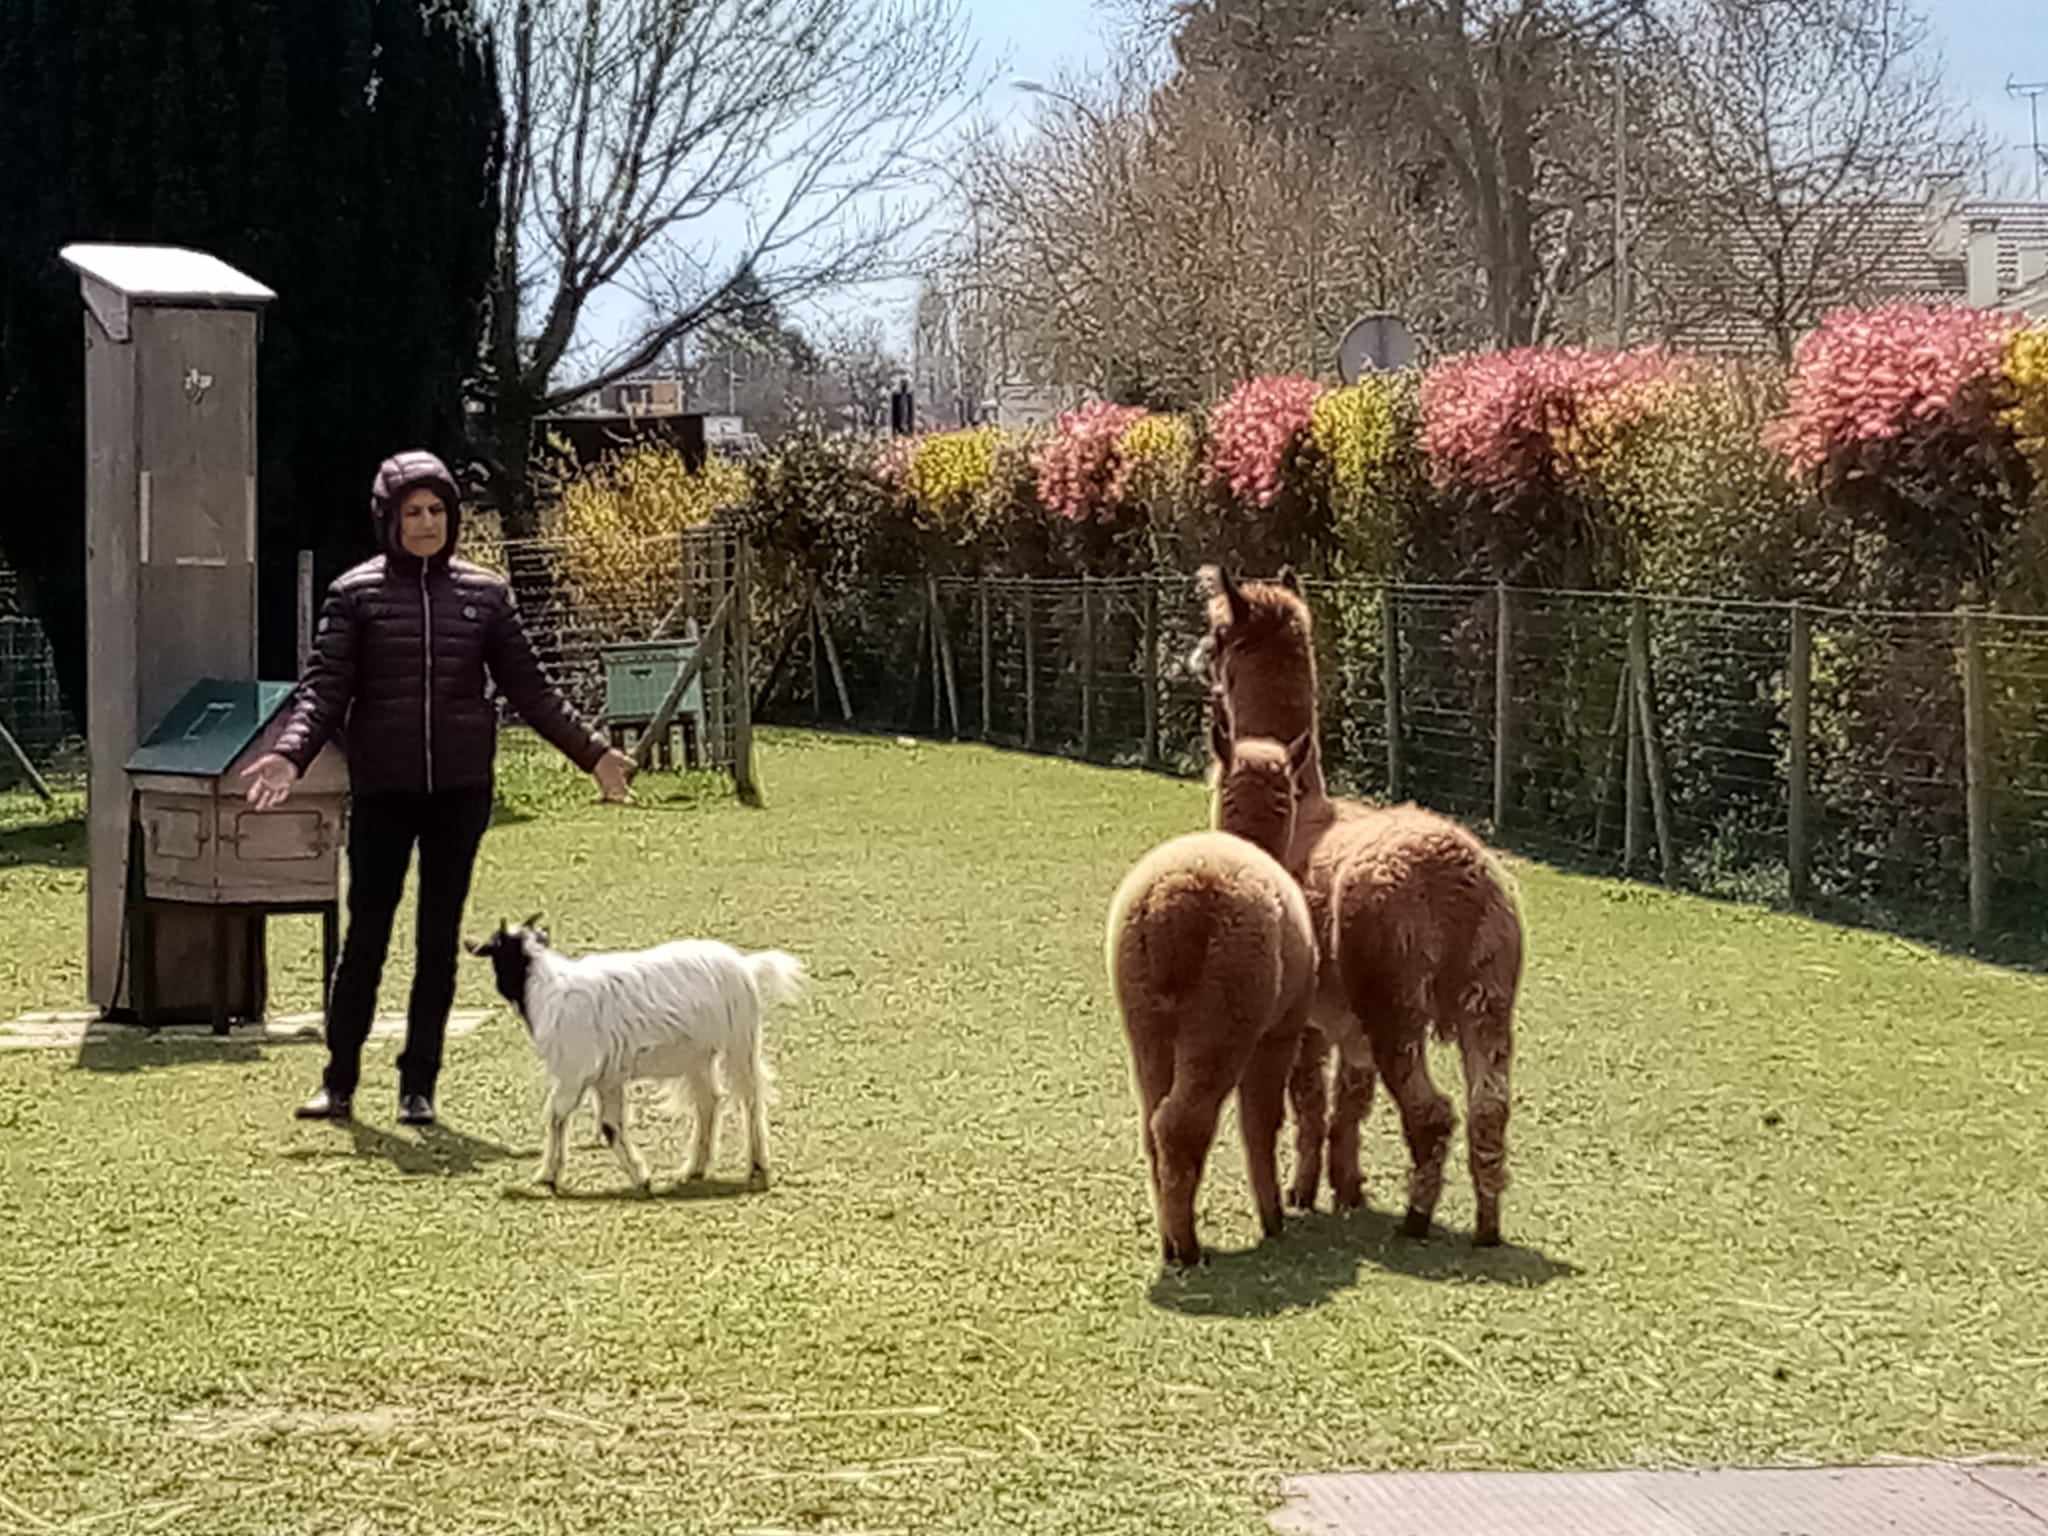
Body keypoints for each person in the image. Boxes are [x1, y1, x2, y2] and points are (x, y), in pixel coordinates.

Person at [244, 449, 635, 1126]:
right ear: (387, 519)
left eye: (436, 511)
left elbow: (532, 689)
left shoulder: (486, 596)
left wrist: (594, 754)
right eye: (411, 512)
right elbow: (323, 693)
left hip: (460, 791)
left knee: (437, 939)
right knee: (366, 935)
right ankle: (338, 1082)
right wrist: (287, 756)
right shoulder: (353, 594)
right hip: (383, 792)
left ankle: (417, 1086)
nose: (425, 524)